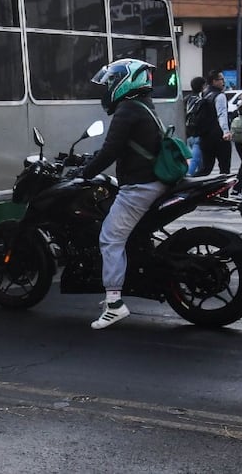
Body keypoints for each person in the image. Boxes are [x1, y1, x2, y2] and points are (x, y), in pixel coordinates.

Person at [82, 59, 167, 330]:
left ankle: (115, 304)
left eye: (111, 82)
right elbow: (119, 146)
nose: (107, 87)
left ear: (125, 82)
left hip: (140, 186)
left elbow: (110, 151)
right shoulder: (143, 106)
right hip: (152, 181)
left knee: (109, 238)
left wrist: (84, 172)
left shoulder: (127, 109)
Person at [195, 70, 232, 176]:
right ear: (214, 81)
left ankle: (193, 183)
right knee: (224, 168)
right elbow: (222, 115)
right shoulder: (219, 96)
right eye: (221, 79)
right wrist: (226, 132)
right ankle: (223, 188)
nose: (223, 82)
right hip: (218, 136)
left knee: (206, 168)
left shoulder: (204, 94)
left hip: (205, 136)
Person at [184, 75, 206, 176]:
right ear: (202, 86)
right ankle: (188, 176)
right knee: (195, 159)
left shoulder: (186, 99)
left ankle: (201, 177)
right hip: (197, 133)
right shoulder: (200, 101)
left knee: (200, 160)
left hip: (188, 132)